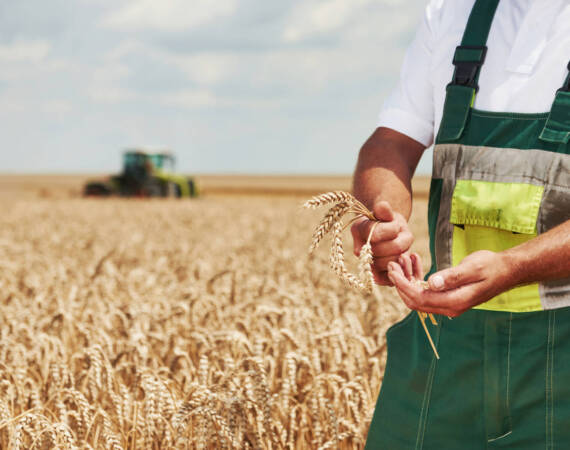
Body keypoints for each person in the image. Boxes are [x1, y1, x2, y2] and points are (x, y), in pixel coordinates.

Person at [350, 0, 570, 448]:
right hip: (444, 352)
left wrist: (513, 267)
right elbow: (391, 141)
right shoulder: (450, 12)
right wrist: (383, 217)